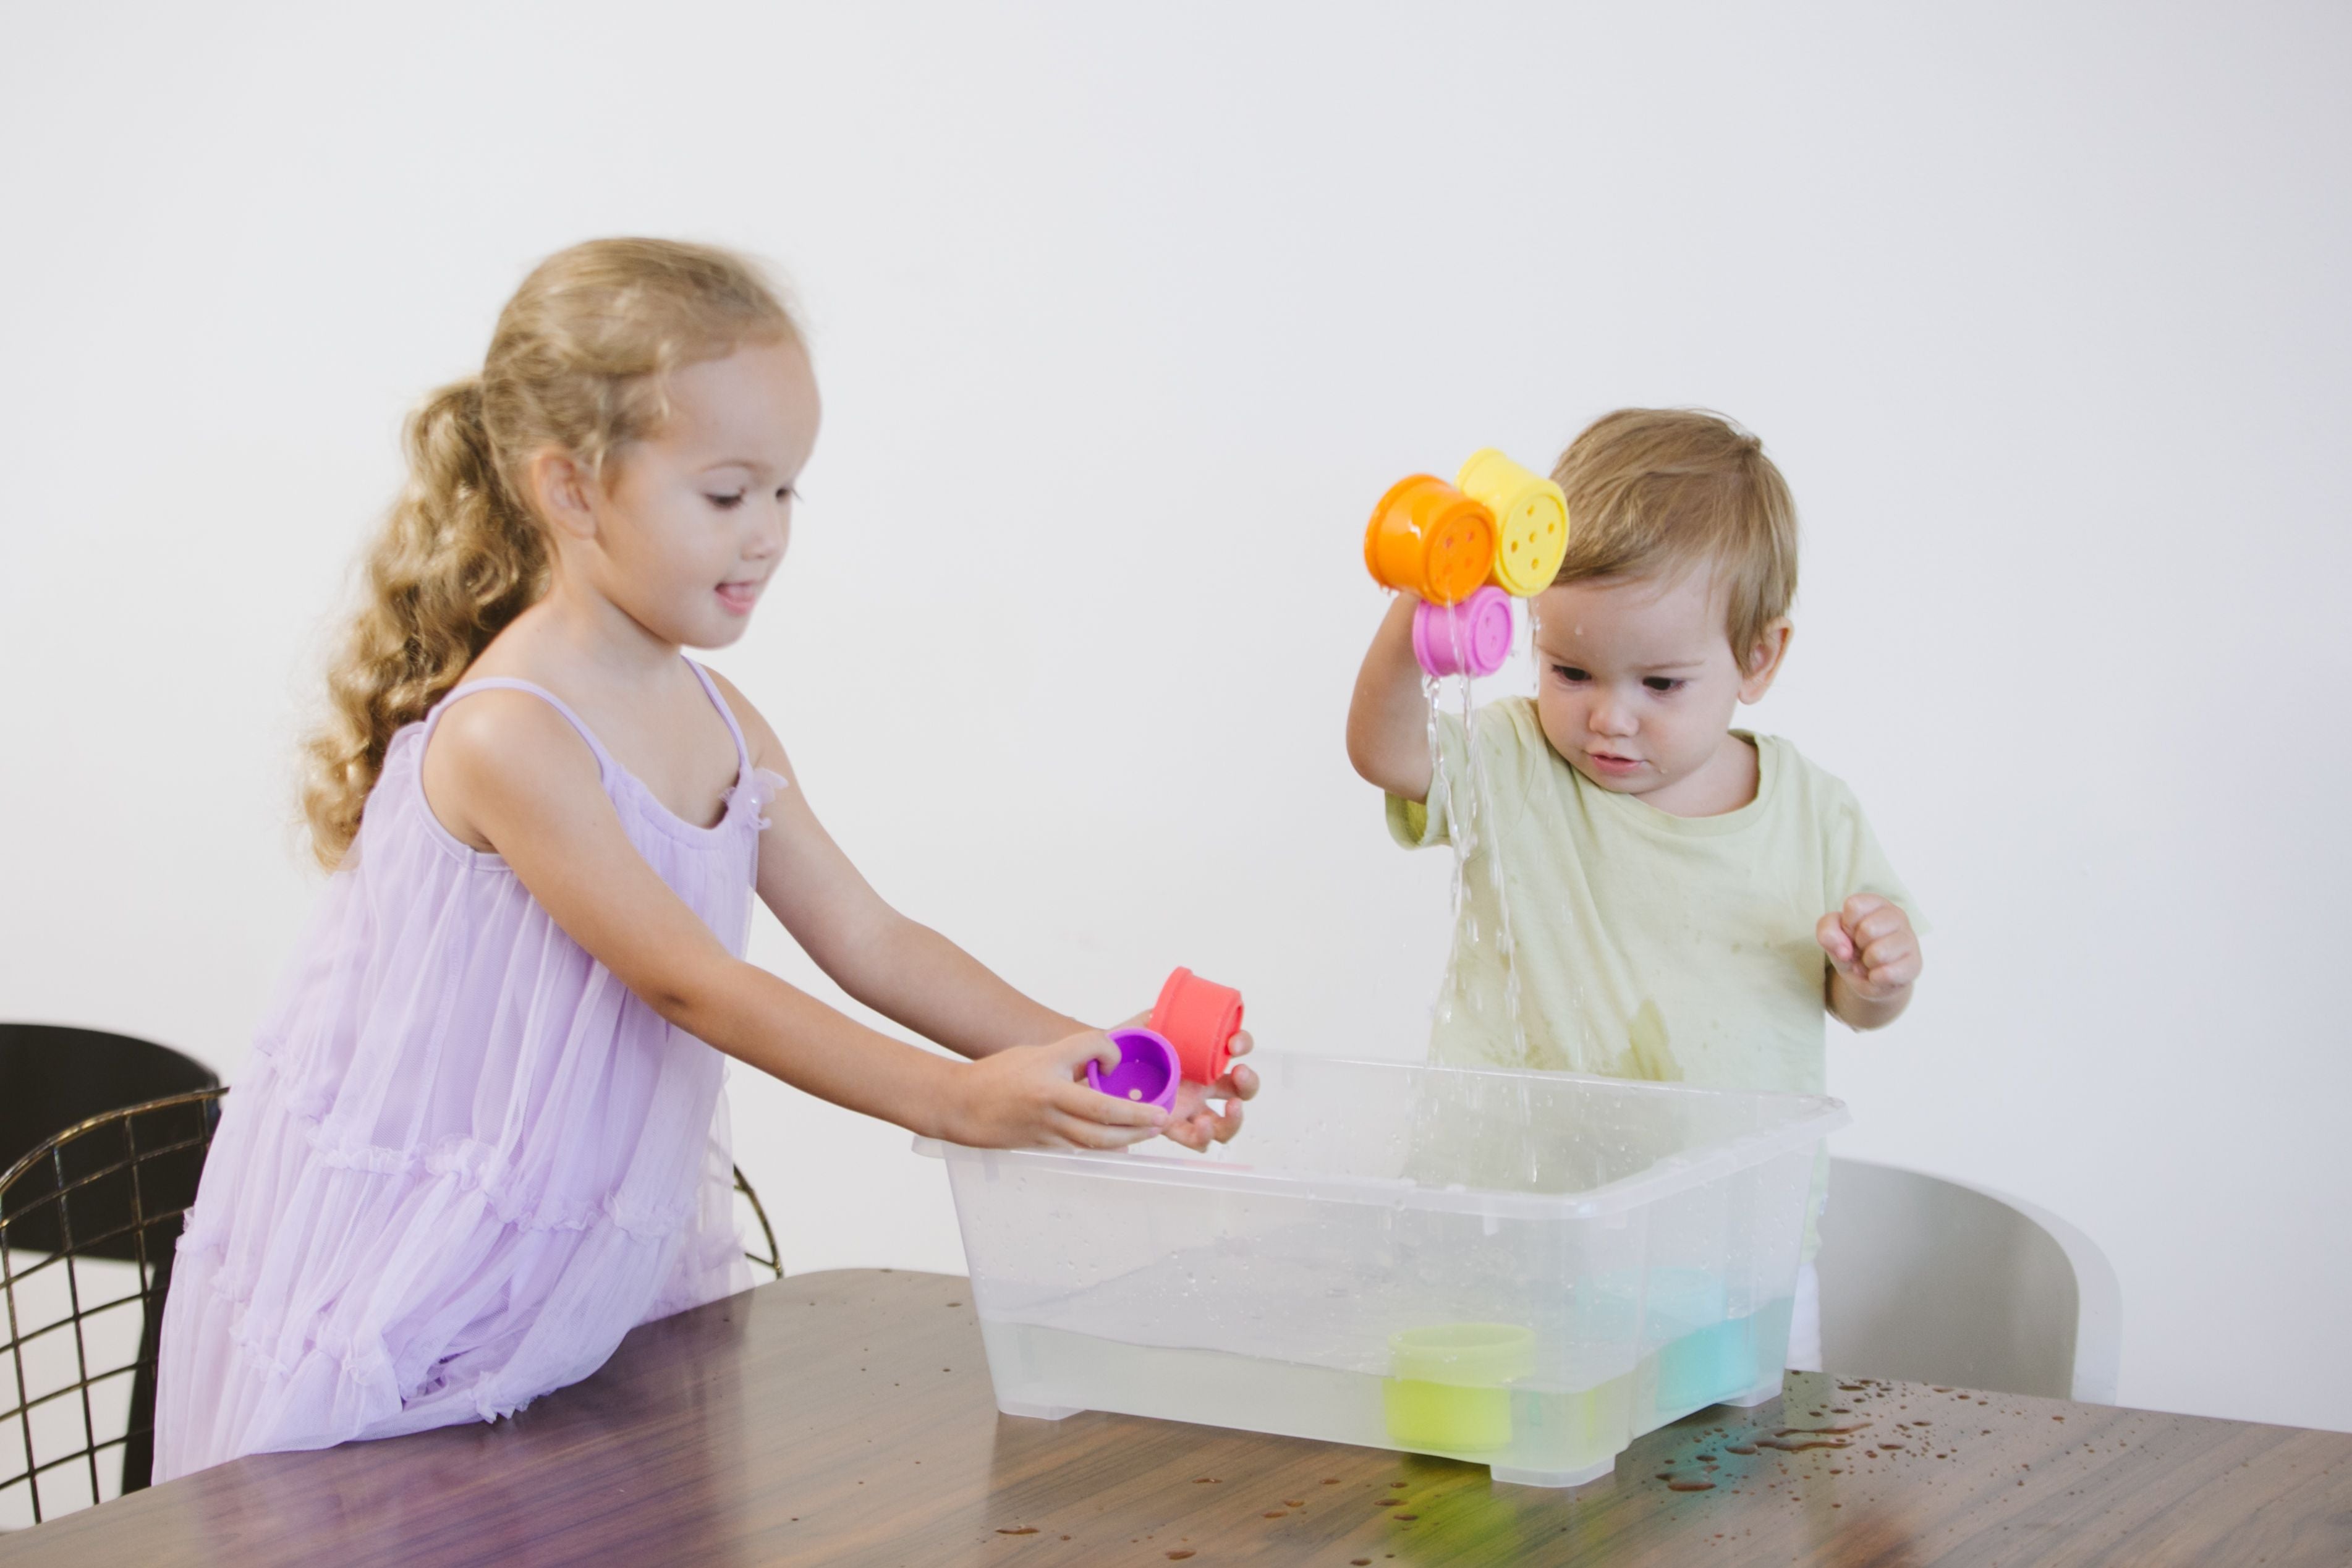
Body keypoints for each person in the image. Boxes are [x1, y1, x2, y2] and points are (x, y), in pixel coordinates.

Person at [155, 238, 1255, 1478]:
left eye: (788, 493)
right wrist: (956, 1103)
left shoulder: (720, 723)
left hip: (573, 1256)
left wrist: (1097, 1062)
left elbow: (871, 938)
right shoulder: (515, 734)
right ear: (571, 491)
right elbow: (691, 981)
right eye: (728, 496)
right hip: (426, 1257)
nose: (769, 535)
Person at [1344, 407, 1921, 1370]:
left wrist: (1879, 972)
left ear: (1758, 658)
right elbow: (1383, 750)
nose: (1607, 717)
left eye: (1659, 683)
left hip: (1731, 1260)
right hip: (1507, 1240)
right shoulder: (1517, 758)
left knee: (1732, 1495)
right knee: (1501, 1488)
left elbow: (1859, 1003)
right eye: (1568, 668)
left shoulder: (1813, 814)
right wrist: (1423, 603)